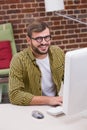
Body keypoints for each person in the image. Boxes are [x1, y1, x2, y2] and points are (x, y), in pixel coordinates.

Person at [8, 20, 65, 106]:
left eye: (47, 37)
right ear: (28, 40)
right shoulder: (18, 60)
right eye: (38, 39)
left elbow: (69, 78)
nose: (44, 42)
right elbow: (15, 95)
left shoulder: (58, 52)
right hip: (32, 108)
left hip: (56, 104)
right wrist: (49, 100)